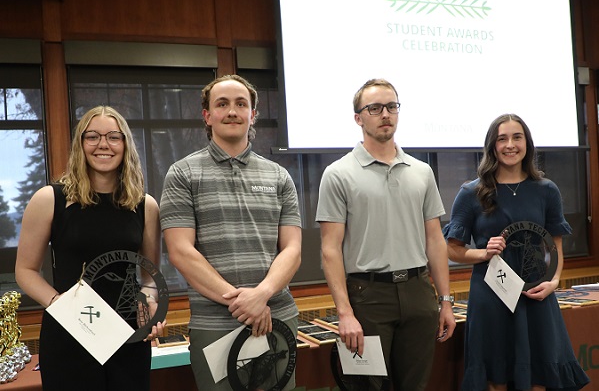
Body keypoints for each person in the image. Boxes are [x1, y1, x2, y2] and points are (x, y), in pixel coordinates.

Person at [160, 74, 302, 391]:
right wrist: (246, 304)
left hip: (277, 318)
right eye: (222, 104)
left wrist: (262, 295)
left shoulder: (279, 175)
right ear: (207, 116)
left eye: (241, 104)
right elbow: (181, 252)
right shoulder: (182, 173)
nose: (232, 111)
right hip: (215, 326)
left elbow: (292, 250)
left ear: (253, 114)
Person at [316, 78, 456, 391]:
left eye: (392, 106)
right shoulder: (338, 174)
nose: (385, 114)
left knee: (414, 386)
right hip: (367, 297)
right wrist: (345, 313)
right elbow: (330, 250)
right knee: (368, 387)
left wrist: (445, 301)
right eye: (375, 108)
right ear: (358, 118)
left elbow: (435, 240)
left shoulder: (421, 171)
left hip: (419, 293)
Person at [15, 105, 163, 391]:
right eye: (92, 136)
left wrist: (149, 302)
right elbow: (25, 270)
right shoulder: (50, 199)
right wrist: (62, 306)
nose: (103, 145)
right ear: (80, 144)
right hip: (69, 333)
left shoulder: (145, 206)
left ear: (125, 145)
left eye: (113, 137)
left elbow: (148, 277)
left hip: (127, 336)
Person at [443, 113, 590, 391]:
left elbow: (554, 245)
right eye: (502, 139)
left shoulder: (547, 190)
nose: (510, 145)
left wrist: (554, 281)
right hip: (491, 295)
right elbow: (453, 250)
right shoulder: (471, 192)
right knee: (495, 377)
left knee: (539, 376)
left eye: (517, 137)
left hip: (537, 293)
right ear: (492, 146)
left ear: (527, 144)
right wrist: (484, 253)